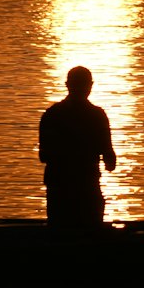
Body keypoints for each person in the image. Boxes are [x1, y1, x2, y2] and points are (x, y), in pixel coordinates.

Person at [38, 67, 117, 231]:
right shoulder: (97, 116)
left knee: (60, 232)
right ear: (91, 85)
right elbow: (110, 161)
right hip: (85, 186)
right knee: (91, 231)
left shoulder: (52, 114)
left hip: (60, 187)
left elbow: (44, 155)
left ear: (67, 85)